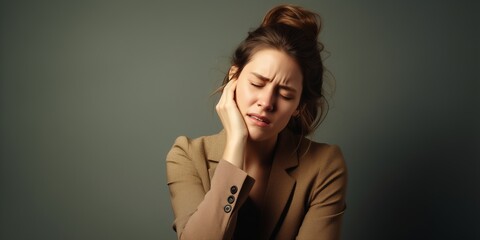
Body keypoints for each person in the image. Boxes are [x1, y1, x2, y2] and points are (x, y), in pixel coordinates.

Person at [166, 4, 347, 240]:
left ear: (298, 106)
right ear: (234, 78)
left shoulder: (324, 165)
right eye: (257, 84)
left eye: (285, 94)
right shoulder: (187, 155)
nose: (266, 102)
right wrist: (236, 143)